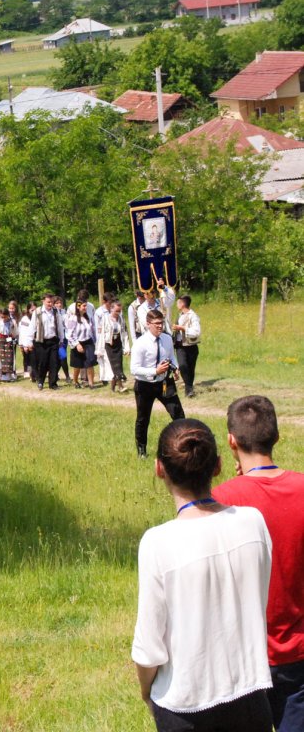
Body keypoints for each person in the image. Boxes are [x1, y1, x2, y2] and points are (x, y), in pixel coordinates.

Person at [132, 418, 273, 732]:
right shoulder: (252, 522)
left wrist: (147, 692)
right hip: (250, 694)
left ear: (159, 469)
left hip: (185, 705)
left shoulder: (158, 542)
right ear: (219, 466)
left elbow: (149, 646)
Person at [213, 396, 304, 732]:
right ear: (277, 437)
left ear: (231, 441)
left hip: (242, 656)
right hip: (298, 653)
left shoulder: (221, 501)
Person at [131, 309, 186, 458]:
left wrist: (175, 368)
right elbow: (134, 369)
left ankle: (183, 447)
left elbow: (170, 357)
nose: (160, 326)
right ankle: (142, 451)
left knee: (178, 414)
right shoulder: (140, 343)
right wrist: (154, 371)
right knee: (143, 418)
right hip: (145, 385)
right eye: (156, 324)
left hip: (164, 382)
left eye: (161, 323)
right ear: (148, 324)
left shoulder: (167, 339)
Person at [31, 294, 64, 391]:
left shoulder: (55, 311)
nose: (50, 304)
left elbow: (60, 326)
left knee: (54, 362)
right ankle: (40, 381)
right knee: (43, 362)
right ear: (43, 301)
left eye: (52, 302)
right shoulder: (37, 312)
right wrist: (29, 341)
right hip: (41, 341)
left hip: (53, 340)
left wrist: (61, 339)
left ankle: (53, 383)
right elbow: (32, 326)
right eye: (48, 302)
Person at [173, 295, 202, 398]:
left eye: (178, 303)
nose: (176, 305)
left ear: (182, 304)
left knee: (190, 368)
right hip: (180, 346)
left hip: (191, 346)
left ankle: (188, 389)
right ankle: (189, 388)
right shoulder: (179, 315)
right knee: (182, 366)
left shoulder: (193, 316)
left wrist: (183, 328)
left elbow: (196, 332)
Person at [100, 300, 129, 393]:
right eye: (116, 311)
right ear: (111, 309)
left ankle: (113, 387)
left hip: (118, 343)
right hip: (109, 345)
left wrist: (127, 347)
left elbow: (125, 333)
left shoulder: (121, 319)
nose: (118, 313)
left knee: (118, 365)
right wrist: (99, 349)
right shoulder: (105, 318)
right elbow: (101, 335)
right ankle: (120, 386)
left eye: (119, 311)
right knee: (114, 366)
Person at [66, 300, 96, 388]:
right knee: (78, 365)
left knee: (90, 362)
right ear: (78, 307)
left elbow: (92, 330)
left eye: (86, 306)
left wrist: (95, 341)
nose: (85, 308)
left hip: (88, 342)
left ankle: (91, 383)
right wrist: (77, 344)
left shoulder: (88, 317)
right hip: (77, 342)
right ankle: (75, 381)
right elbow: (69, 334)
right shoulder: (73, 318)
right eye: (84, 306)